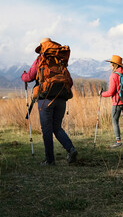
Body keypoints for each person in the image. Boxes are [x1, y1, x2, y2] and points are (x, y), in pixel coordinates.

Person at [21, 37, 78, 166]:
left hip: (45, 100)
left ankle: (50, 160)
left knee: (47, 130)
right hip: (62, 98)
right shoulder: (60, 60)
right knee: (56, 127)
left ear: (42, 47)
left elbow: (29, 77)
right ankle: (71, 149)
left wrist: (23, 75)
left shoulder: (41, 59)